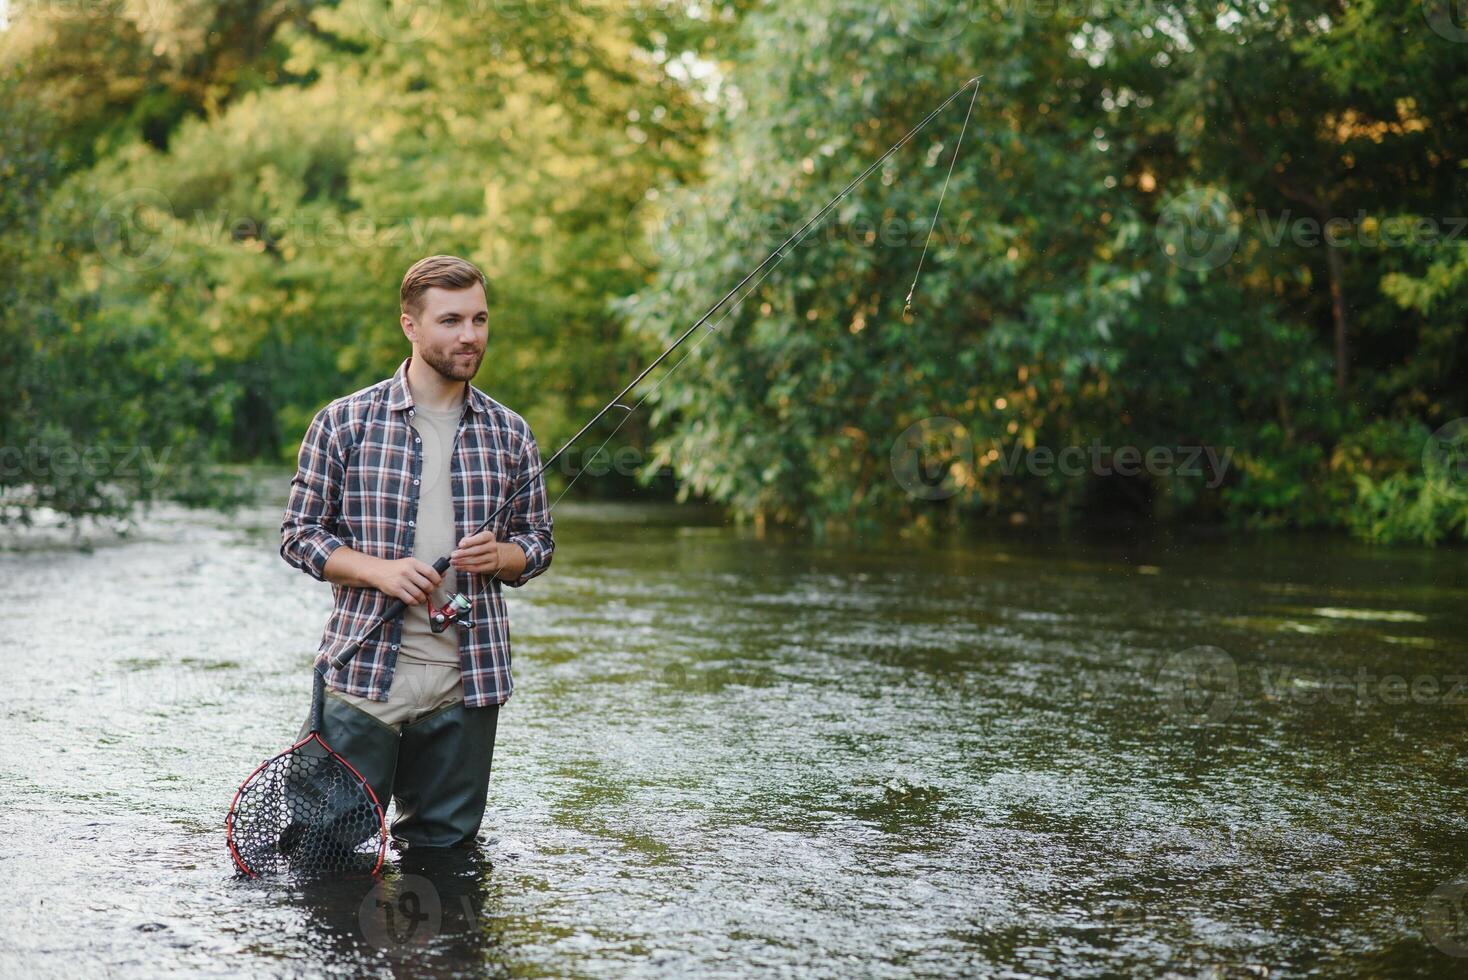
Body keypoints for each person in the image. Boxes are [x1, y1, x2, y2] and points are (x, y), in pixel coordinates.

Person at [280, 254, 554, 851]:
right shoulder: (343, 422)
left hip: (468, 678)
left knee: (446, 859)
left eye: (480, 320)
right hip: (364, 670)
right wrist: (378, 571)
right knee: (320, 852)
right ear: (410, 325)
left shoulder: (511, 433)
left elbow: (538, 545)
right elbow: (299, 535)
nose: (470, 336)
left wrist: (502, 557)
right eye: (451, 320)